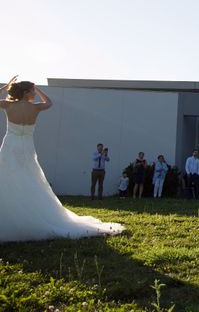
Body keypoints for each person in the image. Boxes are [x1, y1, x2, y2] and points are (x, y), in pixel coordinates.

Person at [0, 77, 123, 241]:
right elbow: (49, 102)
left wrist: (5, 88)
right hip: (26, 148)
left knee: (7, 178)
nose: (34, 93)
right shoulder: (36, 108)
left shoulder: (8, 105)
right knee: (30, 179)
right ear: (26, 92)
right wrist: (38, 90)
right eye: (31, 91)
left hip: (11, 146)